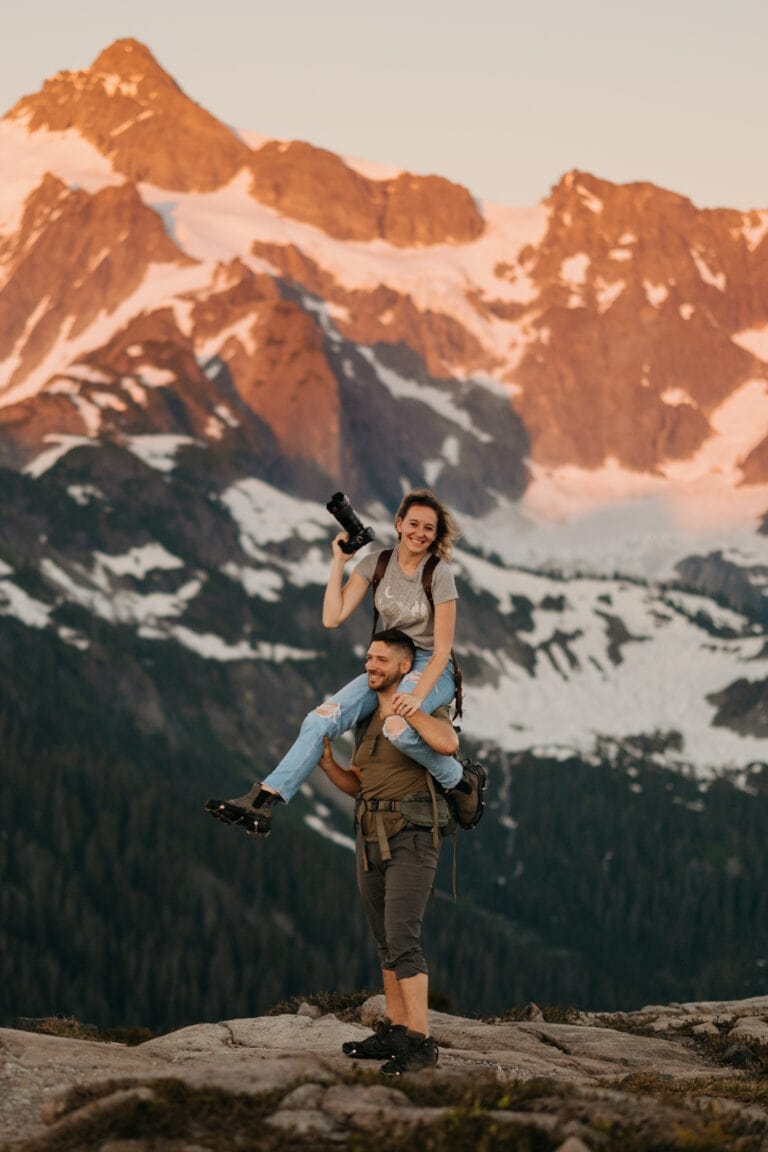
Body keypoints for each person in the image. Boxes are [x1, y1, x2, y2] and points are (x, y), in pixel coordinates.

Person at [205, 489, 463, 836]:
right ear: (399, 524)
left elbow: (444, 649)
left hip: (433, 666)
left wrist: (416, 699)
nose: (420, 533)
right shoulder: (376, 565)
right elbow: (332, 616)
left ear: (436, 534)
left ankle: (458, 781)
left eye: (429, 528)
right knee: (318, 720)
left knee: (398, 729)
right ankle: (264, 800)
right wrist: (339, 562)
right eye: (413, 523)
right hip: (391, 662)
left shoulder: (439, 573)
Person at [319, 628, 458, 1075]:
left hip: (412, 835)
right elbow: (358, 783)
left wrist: (410, 713)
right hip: (369, 835)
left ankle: (420, 1041)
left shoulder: (423, 707)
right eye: (368, 658)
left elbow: (449, 745)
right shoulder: (365, 719)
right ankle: (397, 1030)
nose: (370, 666)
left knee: (403, 939)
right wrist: (328, 766)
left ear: (404, 667)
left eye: (381, 660)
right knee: (384, 942)